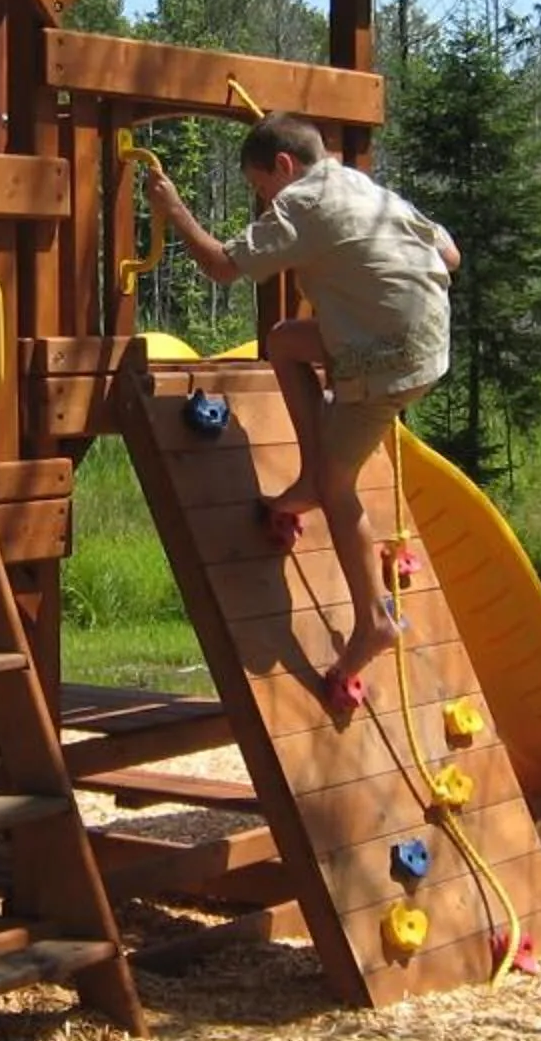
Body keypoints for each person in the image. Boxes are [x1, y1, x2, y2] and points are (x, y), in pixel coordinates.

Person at [146, 115, 459, 708]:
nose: (264, 201)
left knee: (337, 488)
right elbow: (450, 253)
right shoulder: (366, 189)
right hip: (427, 346)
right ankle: (305, 481)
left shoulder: (301, 204)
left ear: (284, 168)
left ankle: (373, 621)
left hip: (383, 361)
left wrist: (173, 207)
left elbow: (221, 266)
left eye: (260, 188)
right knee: (286, 341)